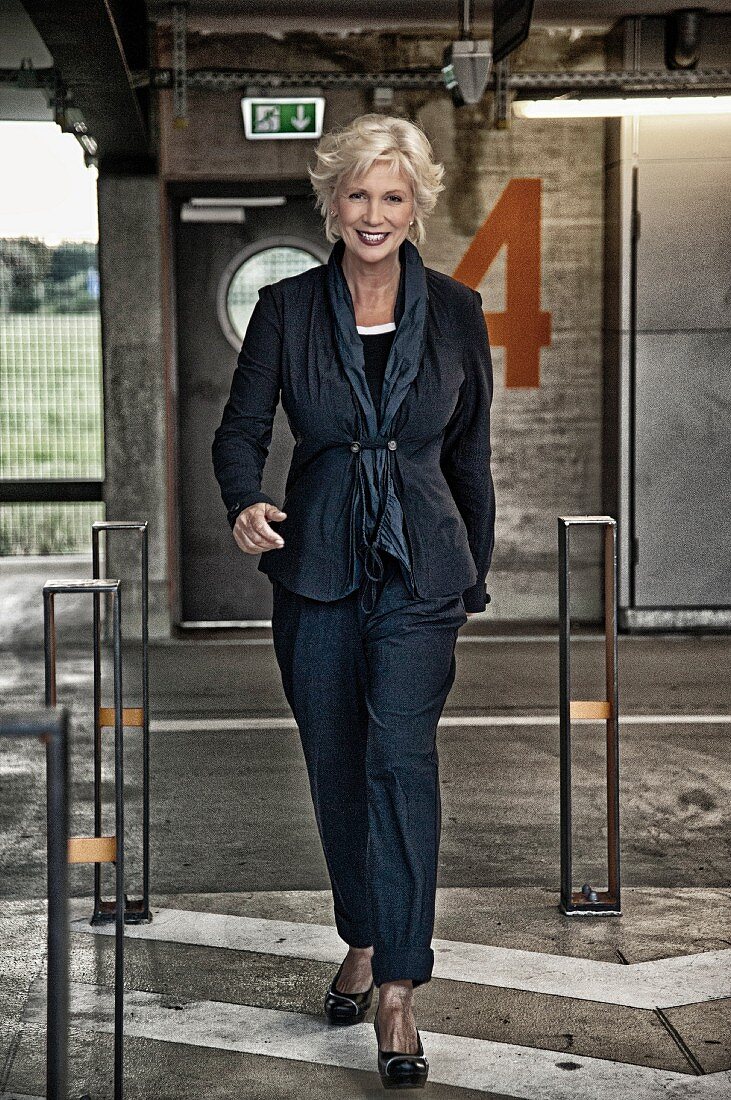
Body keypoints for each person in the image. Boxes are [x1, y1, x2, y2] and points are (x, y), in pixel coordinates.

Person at [212, 112, 495, 1089]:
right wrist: (246, 498)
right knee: (337, 763)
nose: (374, 213)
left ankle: (397, 985)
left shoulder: (457, 311)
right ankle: (364, 934)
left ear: (415, 207)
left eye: (393, 195)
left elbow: (469, 458)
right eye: (357, 193)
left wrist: (474, 570)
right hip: (319, 568)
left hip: (421, 572)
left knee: (398, 761)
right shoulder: (287, 310)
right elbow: (240, 430)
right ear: (330, 202)